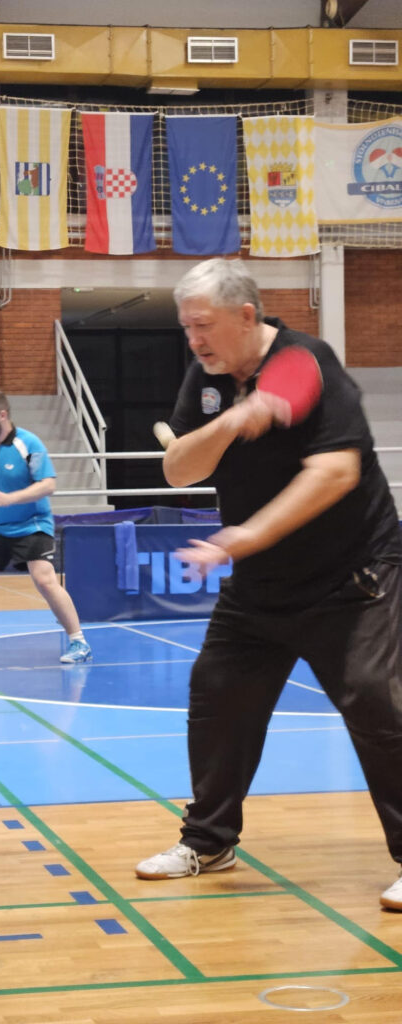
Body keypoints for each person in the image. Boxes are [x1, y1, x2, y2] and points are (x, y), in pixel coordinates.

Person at [134, 258, 402, 909]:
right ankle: (208, 842)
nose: (194, 339)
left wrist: (246, 536)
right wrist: (231, 421)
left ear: (246, 315)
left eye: (203, 325)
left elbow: (335, 473)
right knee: (218, 696)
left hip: (351, 577)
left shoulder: (310, 362)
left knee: (377, 703)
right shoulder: (207, 377)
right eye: (186, 326)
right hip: (260, 586)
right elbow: (179, 470)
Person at [0, 390, 92, 664]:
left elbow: (48, 485)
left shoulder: (28, 444)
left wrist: (10, 499)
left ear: (2, 415)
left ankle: (79, 642)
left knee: (44, 580)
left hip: (33, 524)